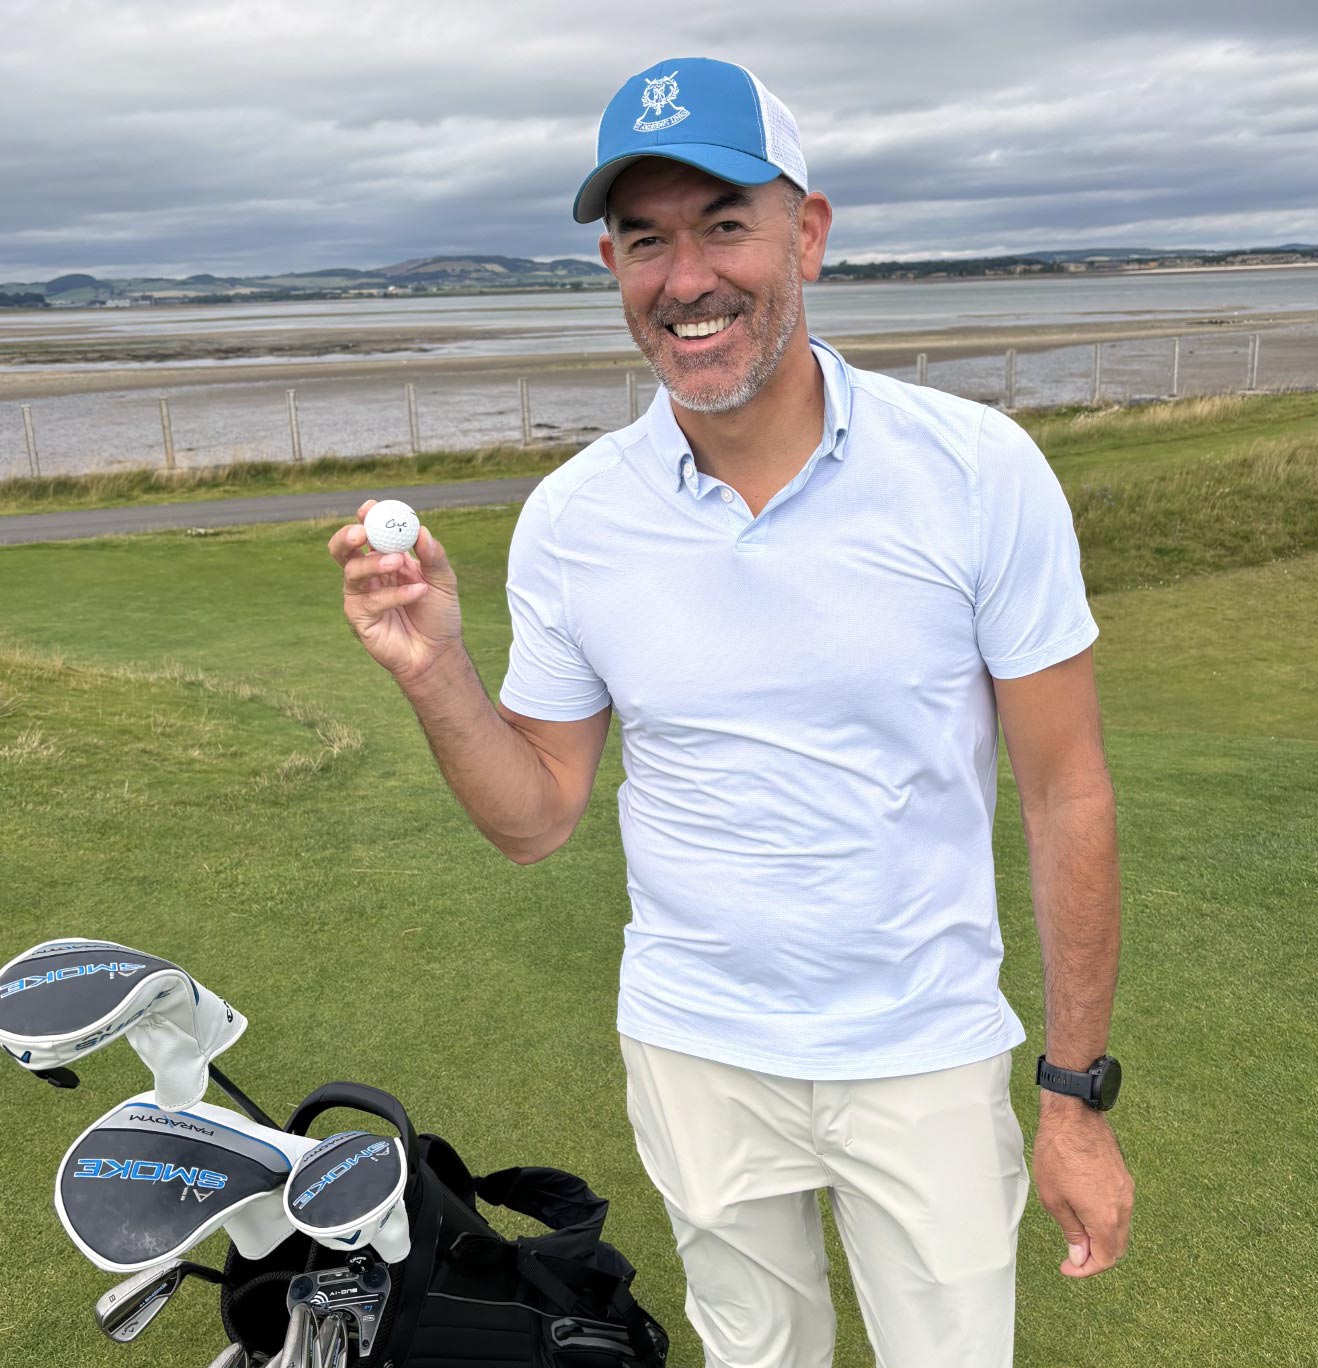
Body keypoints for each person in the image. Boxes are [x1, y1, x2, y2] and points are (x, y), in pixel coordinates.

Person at [328, 55, 1133, 1368]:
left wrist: (1075, 1096)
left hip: (921, 1047)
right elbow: (537, 820)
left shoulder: (978, 474)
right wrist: (437, 675)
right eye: (648, 239)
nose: (685, 276)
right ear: (610, 262)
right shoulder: (577, 520)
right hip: (695, 1047)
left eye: (723, 225)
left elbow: (1067, 790)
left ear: (806, 232)